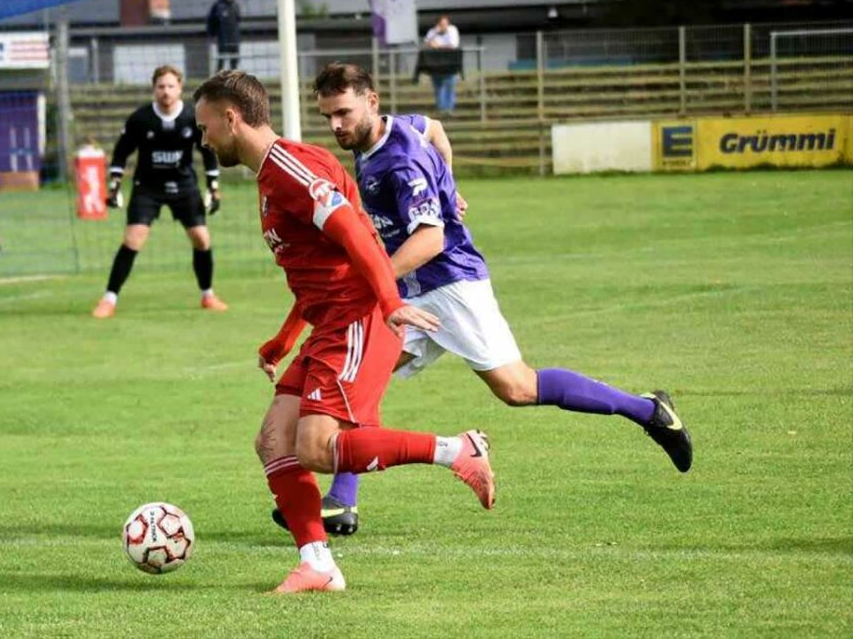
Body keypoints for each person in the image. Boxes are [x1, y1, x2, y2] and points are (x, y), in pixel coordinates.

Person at [270, 63, 692, 536]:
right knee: (361, 382)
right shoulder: (394, 128)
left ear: (371, 101)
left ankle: (650, 411)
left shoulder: (400, 160)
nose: (335, 126)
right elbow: (436, 127)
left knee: (517, 388)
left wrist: (377, 278)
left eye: (343, 113)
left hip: (450, 284)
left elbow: (430, 239)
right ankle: (341, 501)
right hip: (410, 289)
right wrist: (449, 183)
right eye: (328, 116)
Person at [192, 69, 496, 594]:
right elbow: (318, 268)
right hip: (331, 319)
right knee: (273, 441)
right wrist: (285, 338)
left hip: (358, 316)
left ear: (230, 118)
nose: (203, 139)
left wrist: (388, 302)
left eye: (204, 127)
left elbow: (354, 233)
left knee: (315, 446)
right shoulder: (273, 173)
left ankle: (457, 450)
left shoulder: (289, 168)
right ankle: (318, 564)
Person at [92, 65, 227, 319]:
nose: (166, 91)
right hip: (148, 187)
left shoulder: (192, 117)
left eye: (171, 86)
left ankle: (208, 295)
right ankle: (109, 299)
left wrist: (213, 187)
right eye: (161, 86)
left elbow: (208, 151)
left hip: (184, 185)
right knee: (133, 239)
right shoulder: (140, 119)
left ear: (180, 88)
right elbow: (121, 153)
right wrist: (115, 185)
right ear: (154, 89)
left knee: (201, 238)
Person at [423, 15, 460, 114]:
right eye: (441, 24)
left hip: (450, 63)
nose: (444, 26)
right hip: (436, 64)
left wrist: (438, 46)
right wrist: (435, 33)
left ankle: (449, 109)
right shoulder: (432, 31)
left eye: (445, 24)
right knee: (438, 87)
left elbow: (453, 45)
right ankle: (441, 109)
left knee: (450, 85)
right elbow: (427, 44)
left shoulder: (452, 30)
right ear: (437, 25)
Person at [206, 0, 242, 71]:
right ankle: (218, 81)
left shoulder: (236, 5)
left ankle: (234, 81)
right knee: (221, 61)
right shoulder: (218, 5)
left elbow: (239, 19)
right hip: (222, 39)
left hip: (234, 39)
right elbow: (211, 21)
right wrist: (211, 35)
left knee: (234, 62)